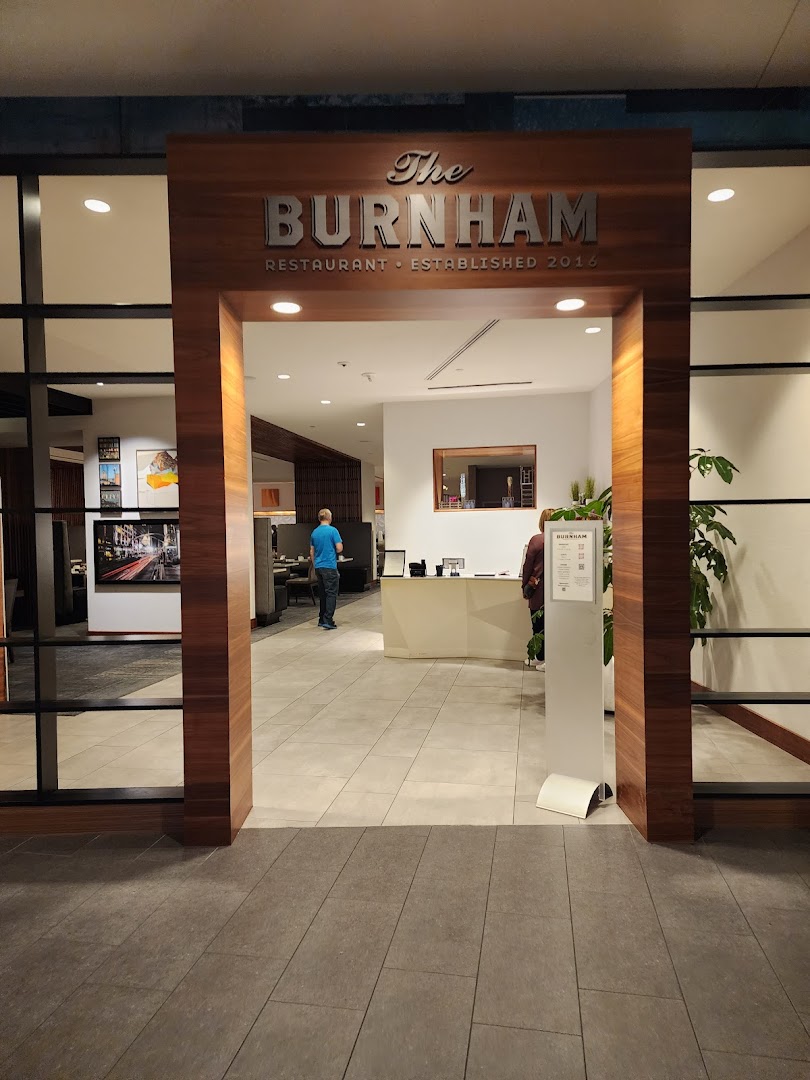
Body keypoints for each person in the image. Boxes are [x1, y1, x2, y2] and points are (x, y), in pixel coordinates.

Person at [521, 508, 554, 669]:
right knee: (553, 626)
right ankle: (551, 659)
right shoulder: (562, 538)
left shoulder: (537, 540)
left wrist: (525, 586)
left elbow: (527, 566)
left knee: (539, 626)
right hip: (558, 591)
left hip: (538, 590)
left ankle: (540, 658)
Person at [310, 508, 343, 630]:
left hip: (318, 567)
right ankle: (328, 620)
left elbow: (312, 552)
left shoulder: (314, 532)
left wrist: (315, 565)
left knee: (323, 594)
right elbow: (339, 548)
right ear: (329, 517)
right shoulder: (333, 531)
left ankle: (321, 618)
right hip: (329, 566)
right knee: (331, 593)